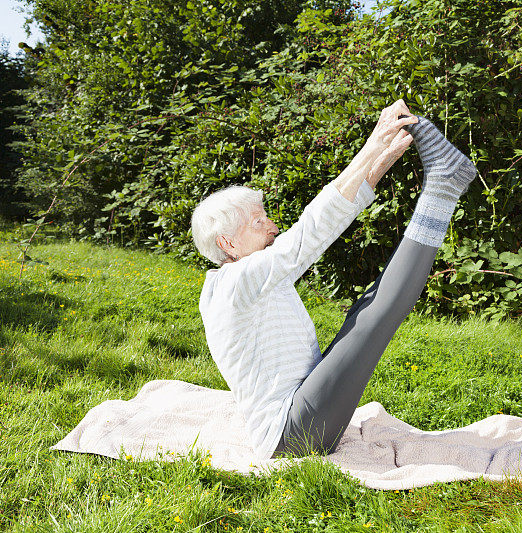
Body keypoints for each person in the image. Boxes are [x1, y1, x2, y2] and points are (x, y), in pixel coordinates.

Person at [191, 99, 477, 460]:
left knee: (365, 309)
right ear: (228, 243)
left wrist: (382, 159)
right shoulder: (238, 282)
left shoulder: (245, 280)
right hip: (292, 435)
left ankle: (444, 180)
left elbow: (324, 227)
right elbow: (309, 233)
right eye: (258, 222)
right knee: (373, 319)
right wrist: (372, 145)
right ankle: (442, 189)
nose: (272, 227)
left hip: (304, 415)